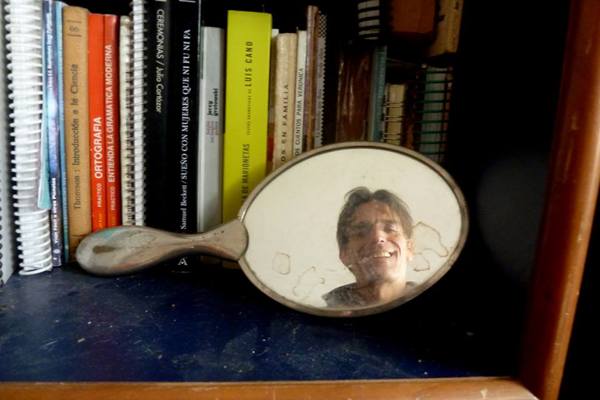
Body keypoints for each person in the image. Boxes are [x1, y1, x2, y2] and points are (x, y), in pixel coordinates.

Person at [323, 187, 415, 307]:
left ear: (409, 248)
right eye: (361, 233)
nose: (377, 237)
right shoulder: (315, 322)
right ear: (344, 254)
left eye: (390, 229)